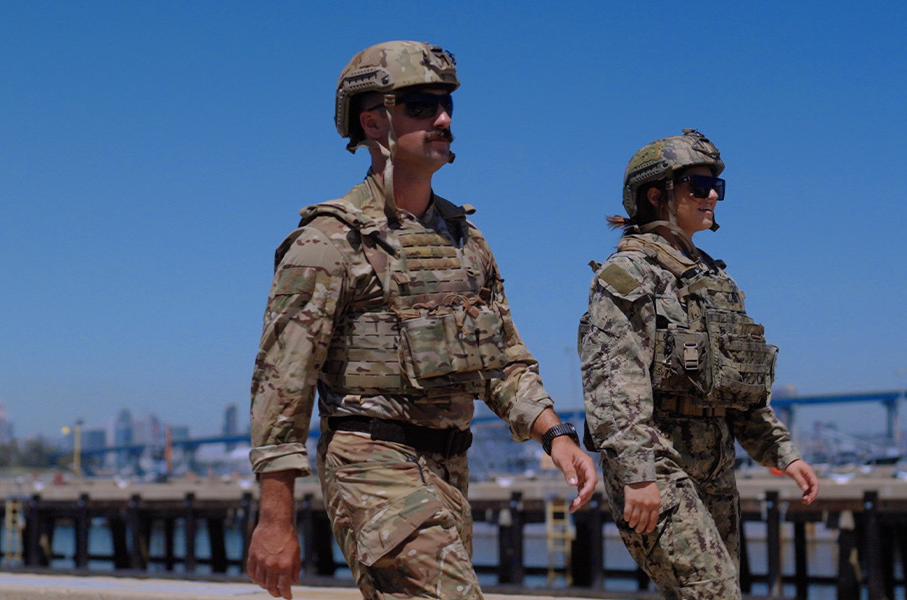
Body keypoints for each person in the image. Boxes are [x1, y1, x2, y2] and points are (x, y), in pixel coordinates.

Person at [245, 40, 597, 600]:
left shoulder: (464, 239)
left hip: (449, 467)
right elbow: (281, 388)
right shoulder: (327, 242)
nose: (443, 118)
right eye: (420, 105)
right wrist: (275, 518)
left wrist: (554, 434)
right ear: (374, 121)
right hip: (371, 463)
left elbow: (502, 358)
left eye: (447, 104)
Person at [578, 130, 819, 600]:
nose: (713, 196)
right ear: (657, 195)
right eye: (699, 185)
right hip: (660, 465)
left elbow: (738, 387)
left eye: (717, 187)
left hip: (715, 463)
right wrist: (638, 473)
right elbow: (614, 383)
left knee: (704, 592)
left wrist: (783, 453)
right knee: (713, 592)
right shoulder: (628, 275)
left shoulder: (713, 278)